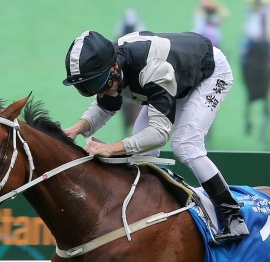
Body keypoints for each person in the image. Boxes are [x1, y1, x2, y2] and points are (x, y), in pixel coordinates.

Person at [61, 30, 249, 243]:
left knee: (185, 145)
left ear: (114, 68)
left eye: (96, 85)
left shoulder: (153, 70)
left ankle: (233, 216)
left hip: (208, 74)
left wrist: (110, 148)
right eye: (85, 88)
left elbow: (160, 133)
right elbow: (105, 107)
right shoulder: (110, 70)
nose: (99, 92)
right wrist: (75, 129)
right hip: (176, 73)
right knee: (142, 150)